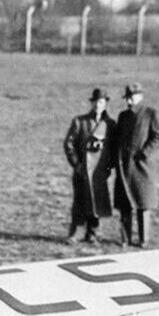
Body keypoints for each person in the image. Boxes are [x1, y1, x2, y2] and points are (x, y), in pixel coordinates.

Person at [62, 88, 116, 245]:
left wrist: (108, 168)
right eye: (96, 102)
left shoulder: (110, 125)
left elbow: (114, 148)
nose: (98, 105)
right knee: (79, 201)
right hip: (82, 171)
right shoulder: (80, 121)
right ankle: (75, 233)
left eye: (101, 102)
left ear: (105, 104)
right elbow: (69, 144)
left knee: (96, 201)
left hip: (99, 172)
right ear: (91, 103)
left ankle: (93, 233)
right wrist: (77, 165)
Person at [113, 81, 159, 248]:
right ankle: (125, 239)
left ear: (140, 96)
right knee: (124, 204)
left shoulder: (150, 114)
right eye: (127, 97)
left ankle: (143, 239)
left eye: (132, 97)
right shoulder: (123, 116)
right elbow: (117, 139)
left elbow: (157, 137)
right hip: (124, 165)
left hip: (142, 167)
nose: (129, 101)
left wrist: (144, 153)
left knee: (143, 203)